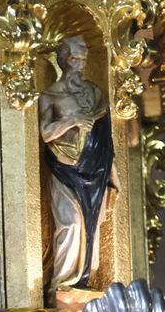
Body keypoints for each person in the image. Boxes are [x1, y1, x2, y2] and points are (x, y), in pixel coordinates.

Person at [38, 36, 114, 291]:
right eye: (74, 59)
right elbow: (45, 133)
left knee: (90, 226)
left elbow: (106, 138)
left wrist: (112, 174)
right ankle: (62, 282)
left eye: (83, 59)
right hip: (63, 168)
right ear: (62, 60)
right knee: (70, 224)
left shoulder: (95, 93)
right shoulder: (50, 96)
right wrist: (71, 121)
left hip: (94, 168)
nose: (79, 65)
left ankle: (81, 282)